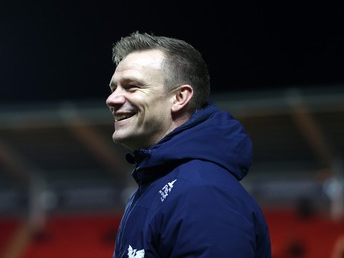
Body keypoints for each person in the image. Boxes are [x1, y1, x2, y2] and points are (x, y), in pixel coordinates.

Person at [106, 31, 271, 258]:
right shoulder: (158, 185)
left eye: (131, 87)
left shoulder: (202, 192)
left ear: (179, 97)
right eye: (113, 88)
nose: (112, 99)